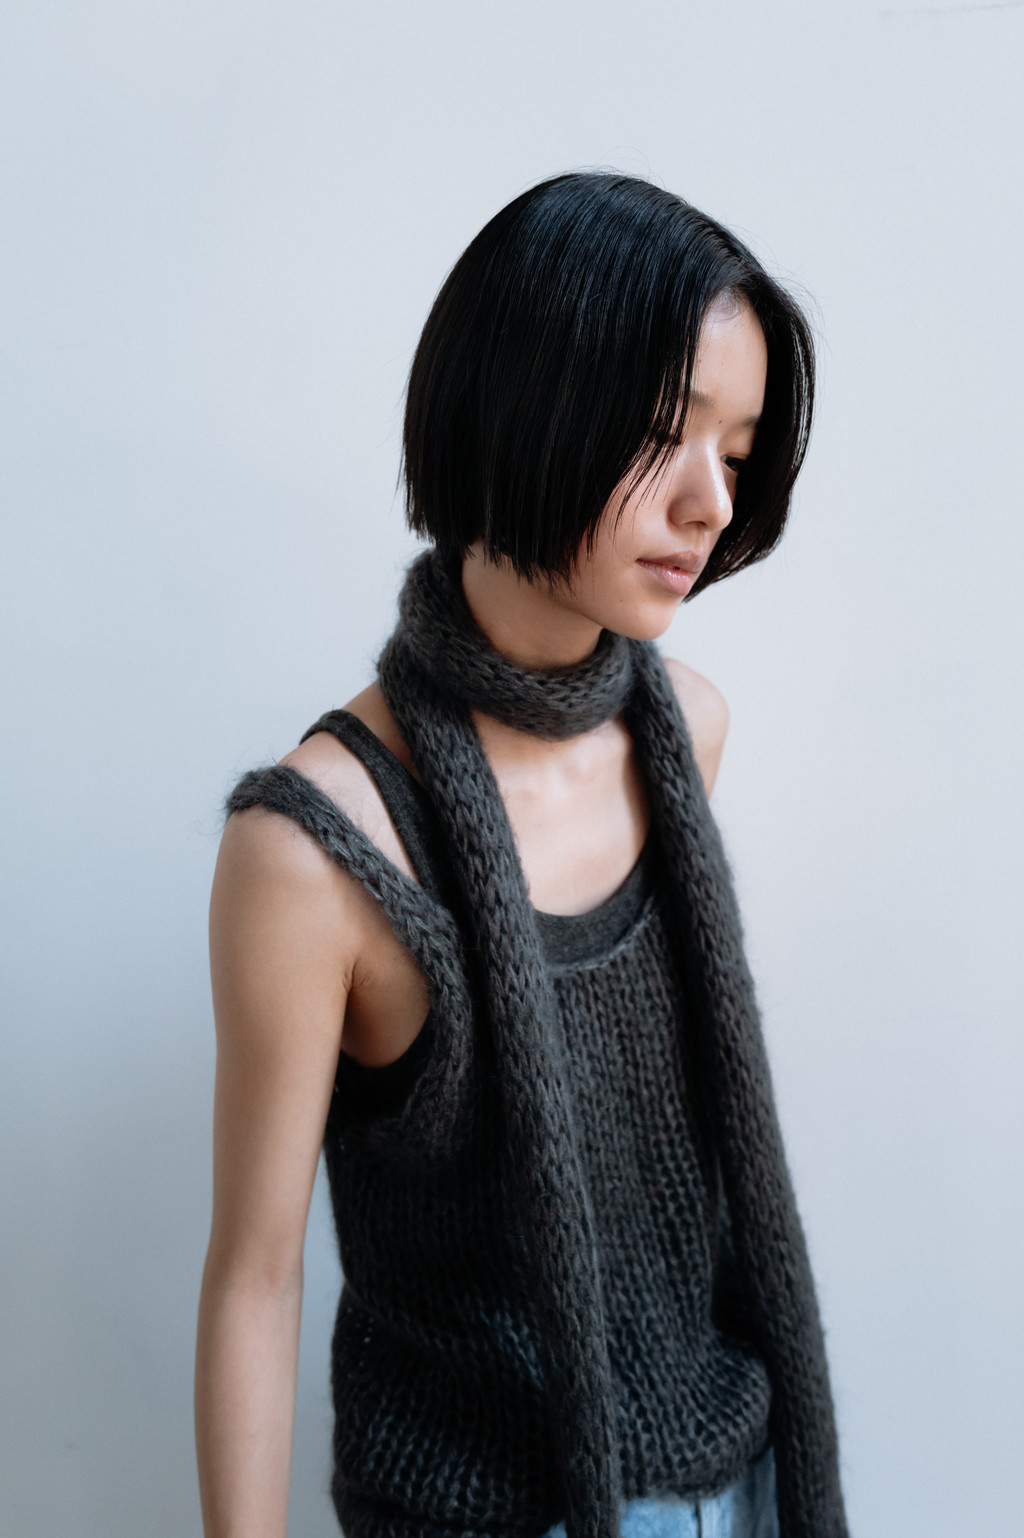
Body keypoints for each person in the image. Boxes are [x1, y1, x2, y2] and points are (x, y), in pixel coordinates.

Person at [195, 172, 847, 1538]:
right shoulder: (314, 849)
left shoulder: (689, 732)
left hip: (738, 1476)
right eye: (665, 434)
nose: (709, 503)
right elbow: (255, 1279)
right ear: (522, 404)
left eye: (736, 453)